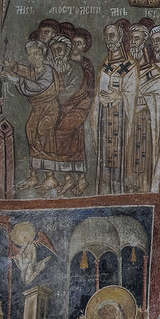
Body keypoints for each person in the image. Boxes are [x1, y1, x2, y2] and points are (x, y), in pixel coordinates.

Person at [1, 39, 61, 192]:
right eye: (30, 54)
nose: (33, 57)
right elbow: (27, 73)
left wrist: (14, 78)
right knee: (30, 130)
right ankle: (33, 176)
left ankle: (51, 177)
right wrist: (12, 65)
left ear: (43, 54)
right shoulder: (33, 70)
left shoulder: (48, 71)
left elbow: (37, 86)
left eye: (36, 53)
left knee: (43, 132)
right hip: (37, 109)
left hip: (50, 109)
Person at [92, 21, 138, 194]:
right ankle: (104, 192)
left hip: (120, 118)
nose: (109, 40)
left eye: (112, 36)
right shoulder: (104, 65)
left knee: (118, 157)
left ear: (120, 37)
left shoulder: (130, 65)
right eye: (106, 37)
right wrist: (100, 100)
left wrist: (119, 96)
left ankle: (119, 191)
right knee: (105, 157)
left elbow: (132, 92)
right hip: (104, 117)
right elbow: (98, 91)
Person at [53, 28, 95, 195]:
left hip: (79, 106)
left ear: (84, 46)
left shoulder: (85, 65)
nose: (76, 47)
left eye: (79, 43)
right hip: (63, 107)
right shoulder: (65, 62)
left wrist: (70, 102)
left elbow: (86, 88)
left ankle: (81, 179)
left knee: (75, 142)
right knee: (61, 141)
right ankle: (68, 178)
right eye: (74, 43)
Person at [125, 23, 160, 193]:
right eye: (131, 39)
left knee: (142, 159)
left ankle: (144, 189)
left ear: (145, 42)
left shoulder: (153, 72)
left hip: (144, 122)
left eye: (137, 39)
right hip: (127, 123)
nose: (133, 43)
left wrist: (143, 99)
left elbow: (159, 99)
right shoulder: (126, 70)